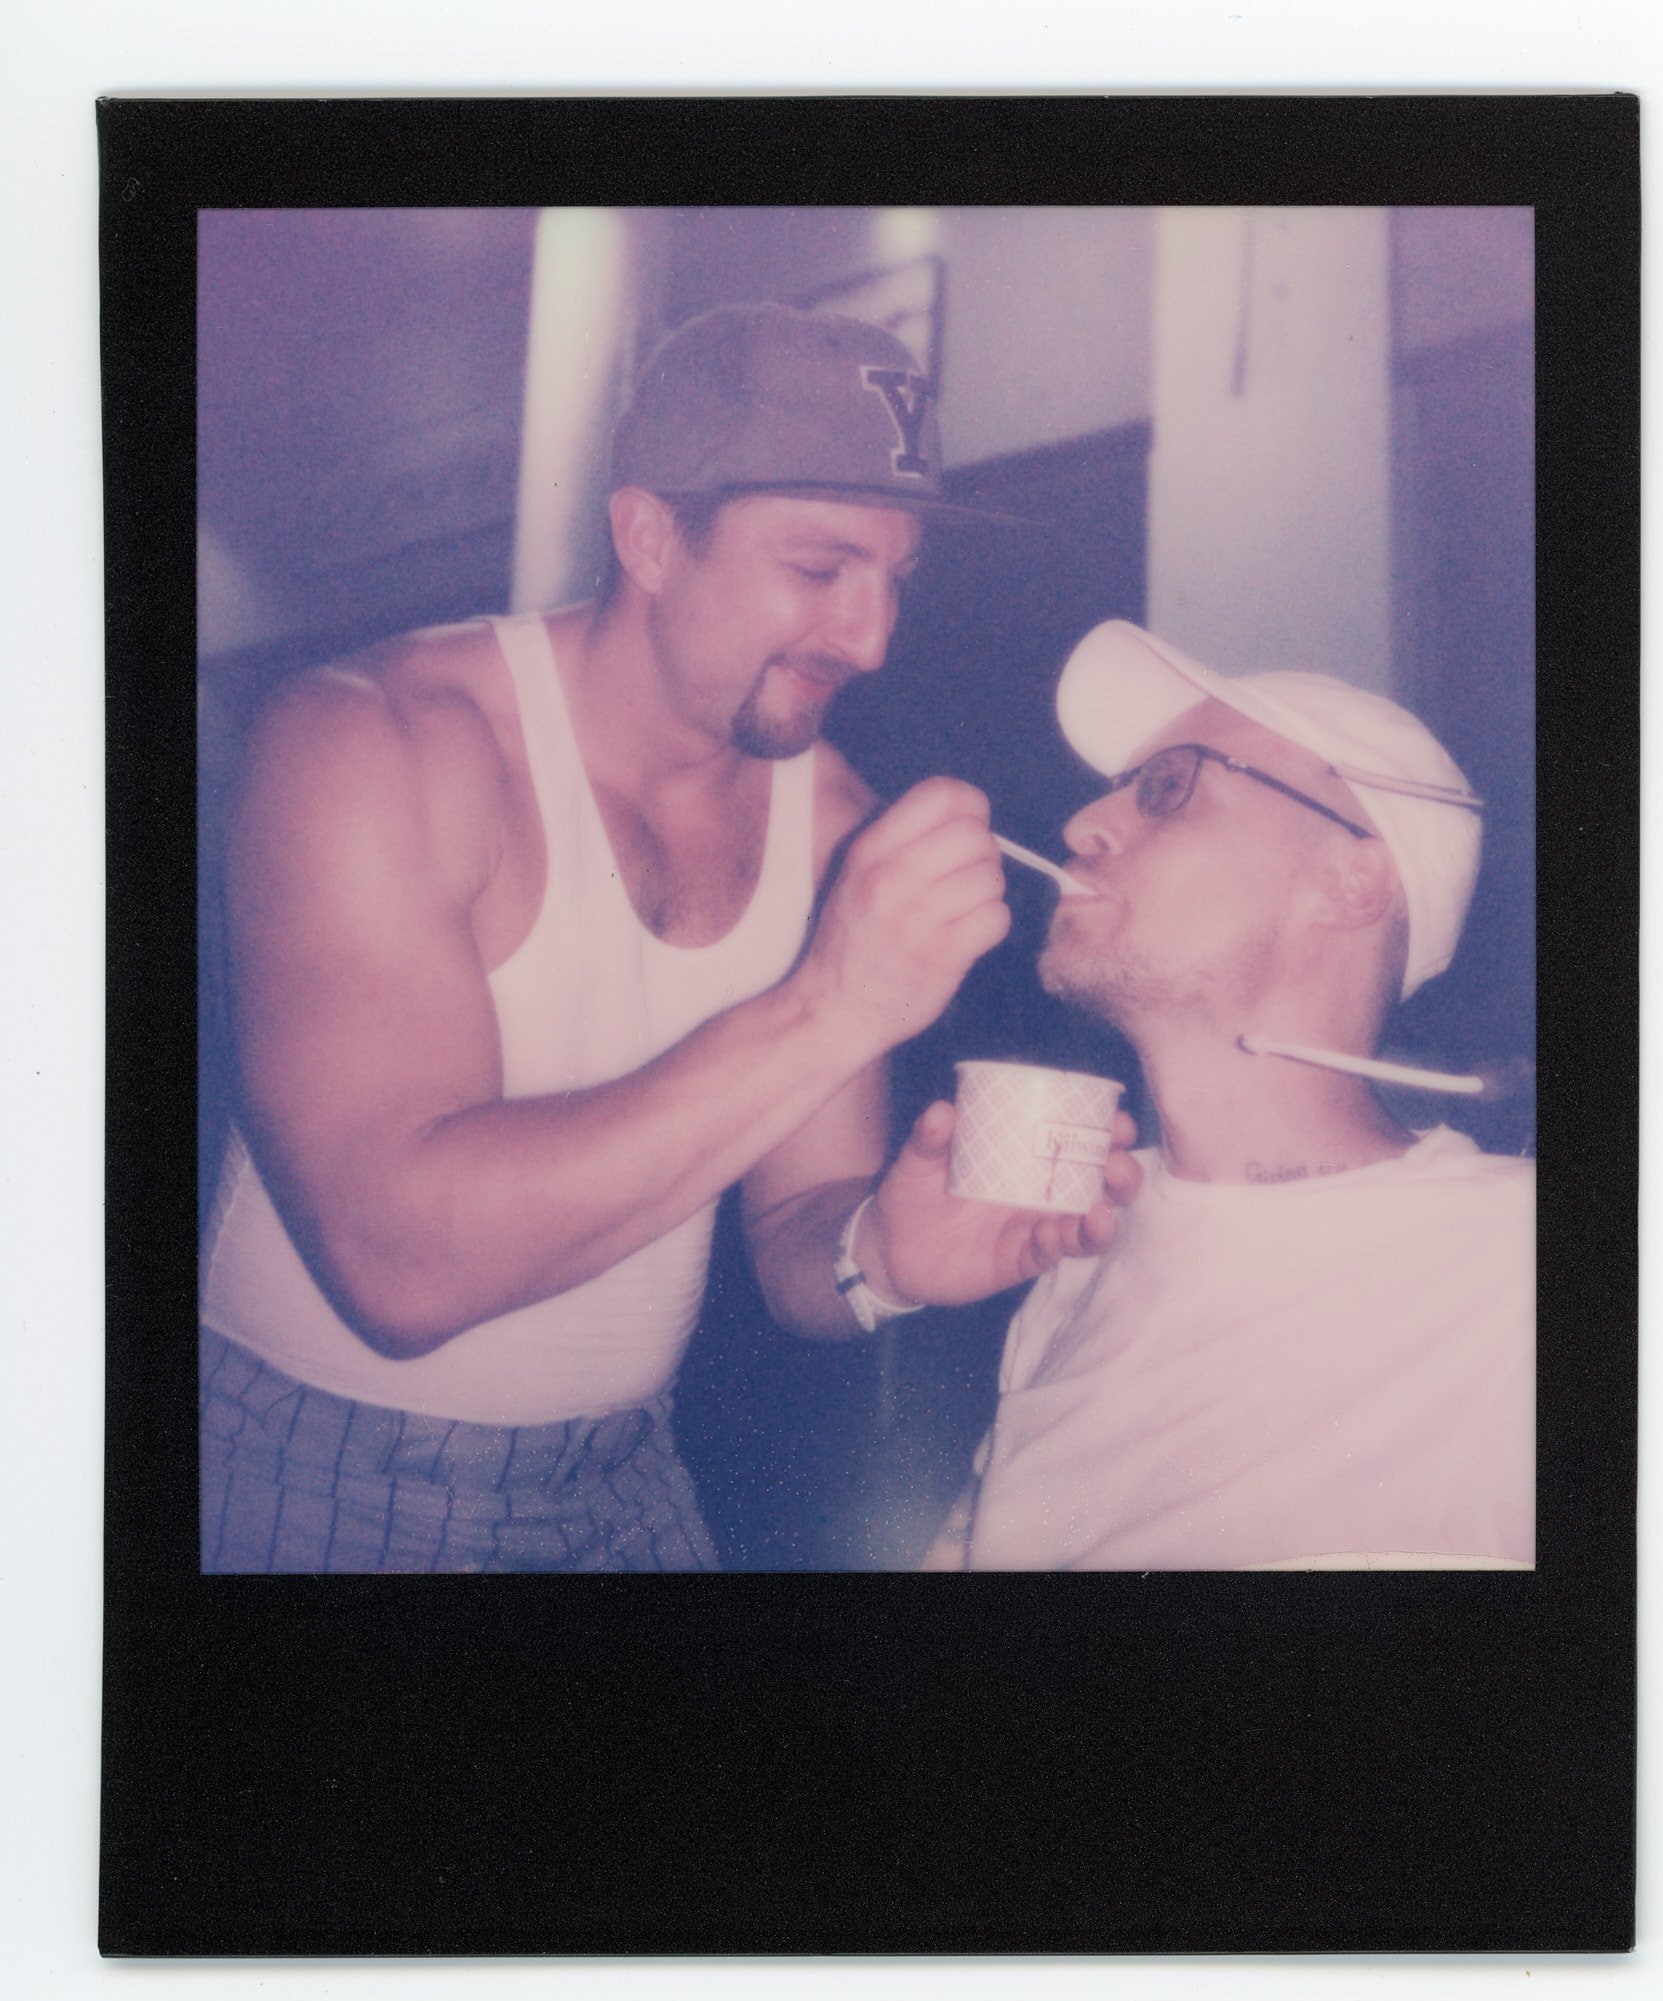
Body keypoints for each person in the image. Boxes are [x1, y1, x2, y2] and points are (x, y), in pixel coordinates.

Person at [199, 302, 1135, 1573]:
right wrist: (828, 1005)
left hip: (626, 1475)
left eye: (893, 580)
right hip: (313, 1468)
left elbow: (801, 1228)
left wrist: (885, 1251)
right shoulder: (371, 741)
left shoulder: (832, 822)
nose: (869, 638)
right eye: (818, 570)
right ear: (648, 534)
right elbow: (397, 1265)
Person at [923, 620, 1534, 1572]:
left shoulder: (1514, 1275)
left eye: (1167, 788)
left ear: (1351, 881)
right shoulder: (1077, 1255)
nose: (1085, 824)